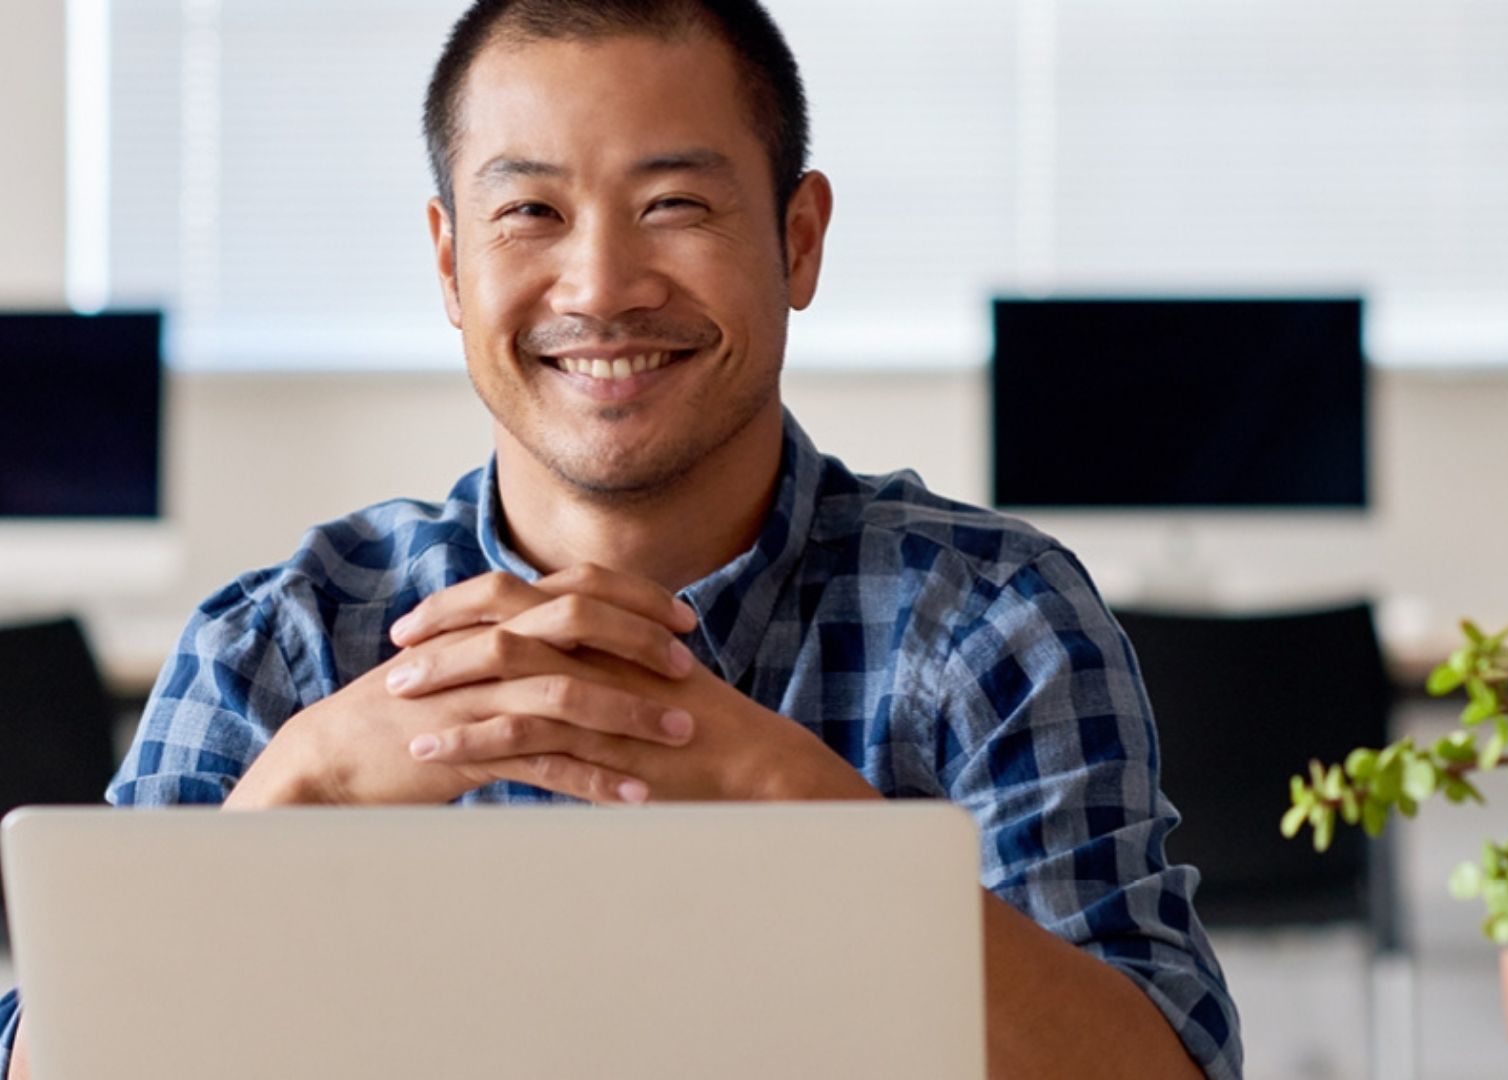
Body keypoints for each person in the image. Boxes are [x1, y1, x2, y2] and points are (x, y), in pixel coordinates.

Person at [0, 1, 1242, 1077]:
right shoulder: (282, 643)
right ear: (448, 262)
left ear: (798, 239)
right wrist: (296, 792)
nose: (600, 286)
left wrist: (806, 813)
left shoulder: (992, 625)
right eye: (530, 210)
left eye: (674, 204)